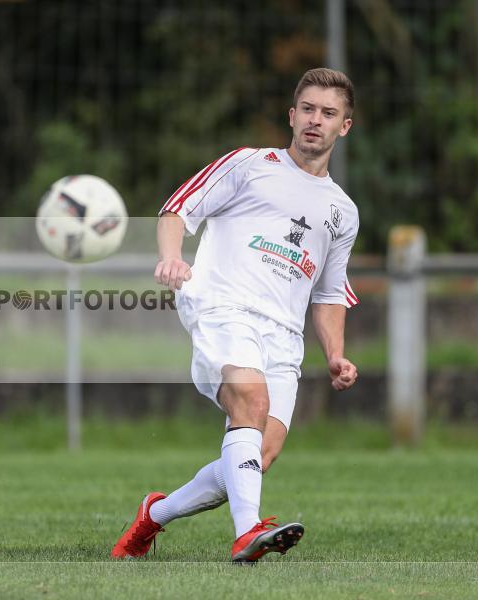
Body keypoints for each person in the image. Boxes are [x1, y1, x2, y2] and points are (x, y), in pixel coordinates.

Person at [111, 68, 361, 563]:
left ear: (344, 126)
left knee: (256, 456)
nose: (315, 120)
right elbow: (177, 210)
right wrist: (172, 256)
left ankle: (152, 516)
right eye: (307, 109)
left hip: (284, 335)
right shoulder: (249, 165)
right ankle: (248, 533)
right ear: (292, 116)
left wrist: (336, 354)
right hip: (221, 305)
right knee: (249, 399)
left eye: (328, 113)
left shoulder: (343, 211)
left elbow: (330, 292)